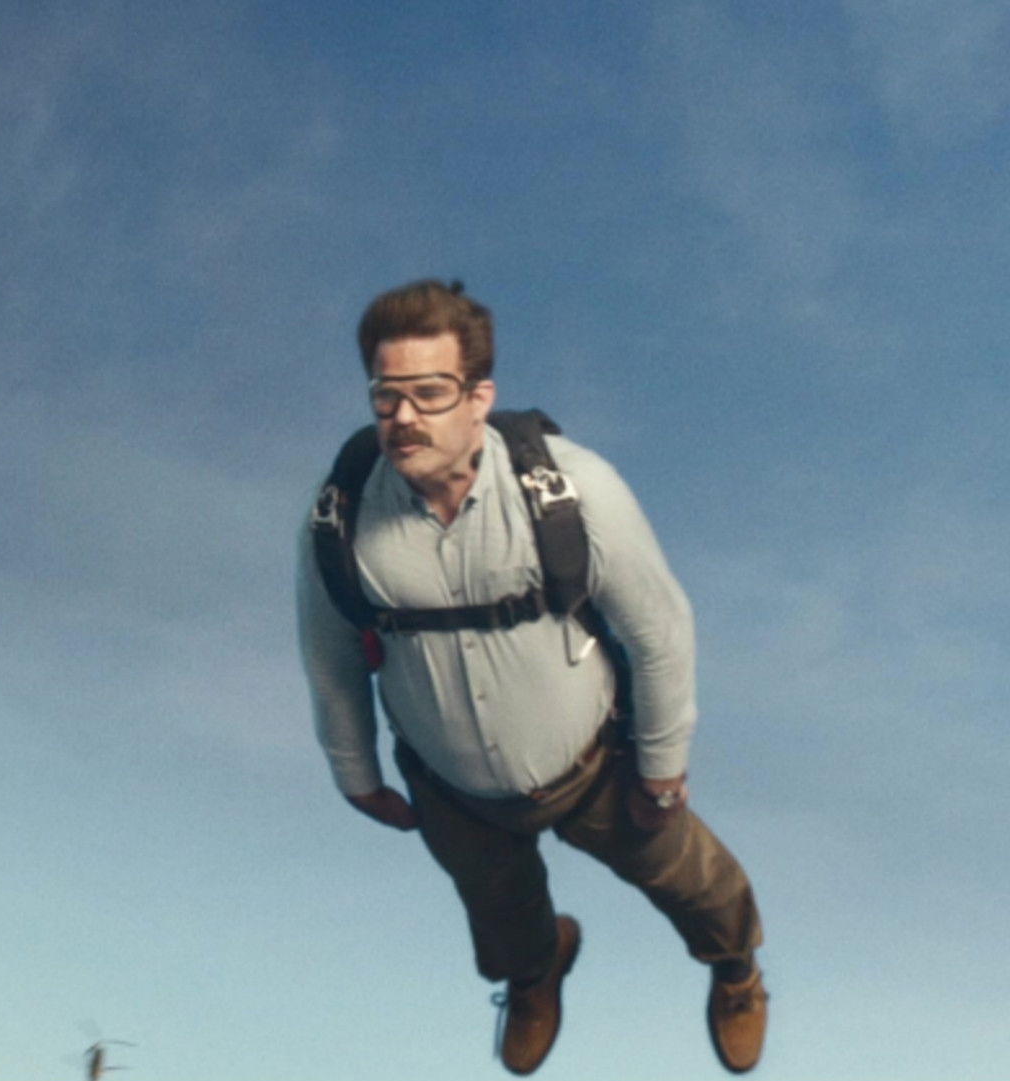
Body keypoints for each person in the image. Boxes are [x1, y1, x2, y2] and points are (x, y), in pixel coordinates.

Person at [296, 279, 767, 1075]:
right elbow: (329, 653)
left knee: (691, 879)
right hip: (451, 787)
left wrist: (660, 767)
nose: (404, 416)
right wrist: (356, 774)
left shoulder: (574, 489)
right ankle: (534, 975)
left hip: (598, 766)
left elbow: (660, 629)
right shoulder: (339, 515)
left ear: (479, 397)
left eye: (429, 392)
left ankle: (737, 970)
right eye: (386, 395)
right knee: (499, 911)